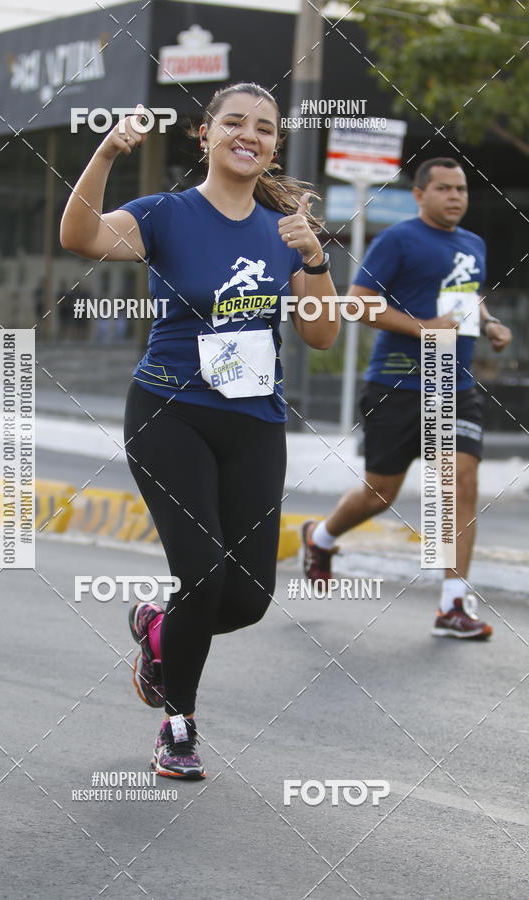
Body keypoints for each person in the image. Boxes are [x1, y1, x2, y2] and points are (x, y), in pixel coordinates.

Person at [60, 83, 340, 778]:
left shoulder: (287, 225)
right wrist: (104, 155)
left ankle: (160, 629)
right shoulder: (167, 214)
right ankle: (178, 726)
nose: (251, 134)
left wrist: (315, 260)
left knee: (247, 598)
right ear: (205, 135)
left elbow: (324, 335)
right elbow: (80, 237)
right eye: (235, 122)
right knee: (205, 574)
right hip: (168, 412)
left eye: (266, 128)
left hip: (255, 421)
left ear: (275, 146)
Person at [302, 157, 512, 640]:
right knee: (380, 493)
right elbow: (356, 302)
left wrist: (492, 323)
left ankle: (452, 604)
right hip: (397, 386)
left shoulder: (473, 244)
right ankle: (322, 537)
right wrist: (423, 328)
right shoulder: (398, 239)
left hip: (453, 386)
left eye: (460, 189)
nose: (455, 196)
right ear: (420, 195)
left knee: (459, 482)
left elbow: (466, 295)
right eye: (444, 188)